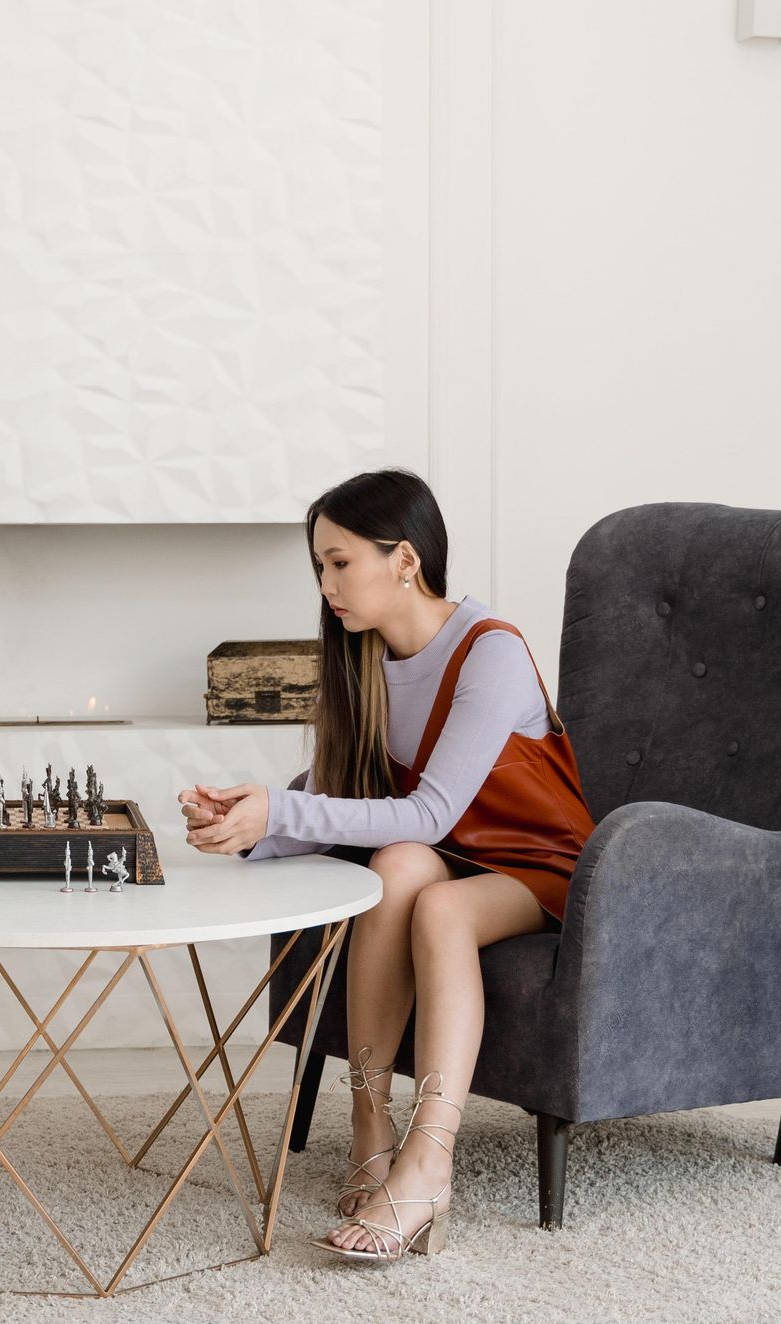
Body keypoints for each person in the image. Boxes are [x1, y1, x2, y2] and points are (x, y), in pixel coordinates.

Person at [178, 468, 595, 1262]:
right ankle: (370, 1129)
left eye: (339, 562)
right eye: (319, 567)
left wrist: (282, 806)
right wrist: (248, 827)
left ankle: (430, 1160)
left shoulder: (489, 650)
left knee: (433, 897)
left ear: (404, 560)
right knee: (397, 866)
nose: (326, 585)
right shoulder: (361, 658)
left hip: (543, 866)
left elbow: (433, 810)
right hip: (446, 855)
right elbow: (348, 801)